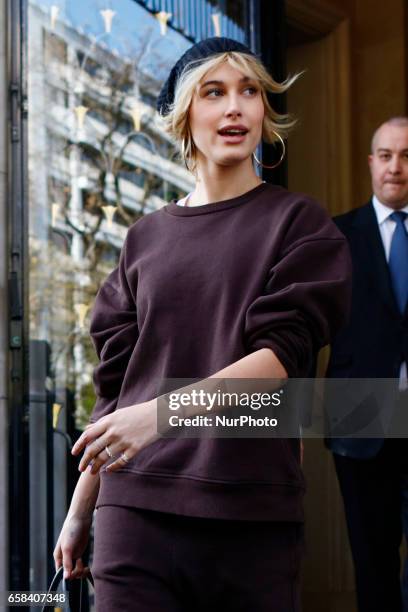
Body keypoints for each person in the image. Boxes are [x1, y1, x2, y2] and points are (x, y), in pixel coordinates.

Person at [54, 37, 351, 611]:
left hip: (250, 515)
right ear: (186, 113)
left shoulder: (300, 224)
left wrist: (158, 418)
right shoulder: (142, 238)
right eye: (214, 92)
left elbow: (280, 362)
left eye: (250, 92)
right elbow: (115, 396)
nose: (235, 107)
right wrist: (79, 511)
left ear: (266, 113)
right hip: (134, 514)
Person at [326, 117, 408, 612]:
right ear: (371, 162)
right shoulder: (335, 237)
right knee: (371, 559)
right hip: (359, 422)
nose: (395, 167)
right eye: (385, 154)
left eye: (406, 155)